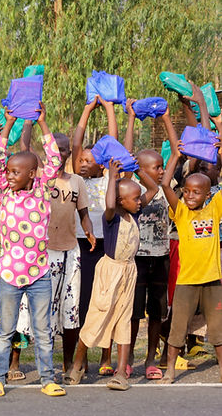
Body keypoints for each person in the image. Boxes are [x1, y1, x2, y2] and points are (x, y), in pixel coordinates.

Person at [0, 109, 65, 398]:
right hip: (10, 274)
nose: (9, 175)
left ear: (33, 174)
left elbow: (55, 160)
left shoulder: (42, 190)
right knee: (5, 331)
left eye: (16, 172)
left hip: (39, 273)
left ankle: (47, 380)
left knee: (43, 332)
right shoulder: (6, 193)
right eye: (8, 172)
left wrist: (43, 121)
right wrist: (8, 124)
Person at [14, 131, 95, 375]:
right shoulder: (37, 178)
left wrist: (88, 231)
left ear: (69, 153)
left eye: (63, 150)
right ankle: (14, 361)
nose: (59, 154)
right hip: (40, 252)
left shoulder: (76, 182)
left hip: (70, 252)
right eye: (55, 150)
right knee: (28, 307)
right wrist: (31, 120)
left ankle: (68, 362)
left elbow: (83, 215)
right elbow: (24, 146)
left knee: (70, 308)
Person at [67, 160, 144, 391]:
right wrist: (112, 176)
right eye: (136, 198)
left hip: (129, 271)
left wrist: (136, 167)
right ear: (122, 201)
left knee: (123, 319)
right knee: (97, 317)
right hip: (109, 272)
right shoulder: (111, 218)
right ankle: (78, 363)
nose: (140, 201)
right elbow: (110, 203)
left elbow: (151, 190)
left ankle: (121, 372)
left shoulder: (135, 215)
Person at [158, 111, 222, 385]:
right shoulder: (181, 212)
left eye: (197, 192)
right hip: (186, 282)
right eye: (187, 191)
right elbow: (164, 184)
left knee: (218, 332)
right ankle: (170, 369)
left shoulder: (215, 208)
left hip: (212, 281)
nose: (190, 195)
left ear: (208, 194)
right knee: (177, 328)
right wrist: (176, 156)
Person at [71, 97, 119, 375]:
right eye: (81, 160)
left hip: (107, 245)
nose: (84, 163)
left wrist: (110, 109)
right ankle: (82, 354)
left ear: (102, 164)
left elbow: (112, 143)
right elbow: (76, 145)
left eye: (91, 160)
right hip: (82, 246)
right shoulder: (76, 181)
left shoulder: (107, 179)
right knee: (84, 302)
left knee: (107, 301)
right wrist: (87, 110)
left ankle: (106, 357)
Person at [124, 106, 171, 380]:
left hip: (160, 257)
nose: (162, 169)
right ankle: (128, 357)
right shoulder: (133, 190)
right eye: (156, 167)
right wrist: (131, 118)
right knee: (133, 314)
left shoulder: (168, 185)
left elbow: (176, 153)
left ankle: (150, 359)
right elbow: (129, 157)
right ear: (141, 170)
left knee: (156, 312)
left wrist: (165, 118)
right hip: (137, 258)